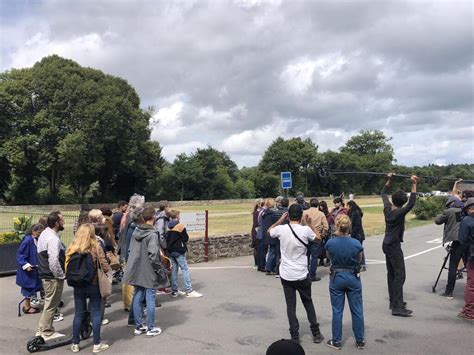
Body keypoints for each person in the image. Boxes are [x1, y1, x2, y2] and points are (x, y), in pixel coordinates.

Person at [268, 204, 324, 345]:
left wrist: (280, 220)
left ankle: (294, 336)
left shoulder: (281, 229)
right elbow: (318, 239)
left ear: (288, 215)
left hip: (286, 274)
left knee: (291, 306)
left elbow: (270, 231)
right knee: (308, 303)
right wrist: (310, 224)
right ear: (301, 216)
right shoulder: (305, 230)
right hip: (301, 273)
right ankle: (316, 333)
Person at [66, 224, 110, 353]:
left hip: (78, 284)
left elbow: (67, 264)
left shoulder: (73, 246)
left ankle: (75, 343)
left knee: (79, 313)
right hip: (93, 283)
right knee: (95, 313)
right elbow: (105, 265)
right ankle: (96, 344)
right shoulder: (96, 246)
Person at [122, 206, 165, 336]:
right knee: (150, 297)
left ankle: (139, 326)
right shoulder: (152, 234)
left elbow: (130, 250)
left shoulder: (136, 231)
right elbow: (153, 255)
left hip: (137, 269)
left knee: (138, 296)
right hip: (149, 270)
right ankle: (151, 328)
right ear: (154, 217)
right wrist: (159, 270)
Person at [325, 215, 365, 350]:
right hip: (353, 276)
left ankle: (336, 340)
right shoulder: (356, 243)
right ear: (349, 227)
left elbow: (329, 257)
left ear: (337, 226)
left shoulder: (331, 243)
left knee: (337, 310)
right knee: (357, 309)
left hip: (337, 276)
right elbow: (359, 260)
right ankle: (360, 340)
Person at [381, 173, 418, 317]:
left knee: (392, 274)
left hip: (386, 243)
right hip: (393, 246)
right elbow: (412, 203)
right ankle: (397, 307)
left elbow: (383, 192)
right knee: (400, 275)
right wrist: (414, 183)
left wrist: (390, 179)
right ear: (402, 202)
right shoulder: (399, 213)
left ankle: (394, 302)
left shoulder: (388, 209)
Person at [35, 211, 66, 340]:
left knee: (49, 304)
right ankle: (47, 332)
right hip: (52, 277)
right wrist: (61, 275)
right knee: (51, 305)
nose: (64, 222)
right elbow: (53, 261)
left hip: (45, 275)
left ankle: (41, 330)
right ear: (57, 223)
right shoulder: (53, 238)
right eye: (62, 220)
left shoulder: (44, 234)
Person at [165, 210, 203, 298]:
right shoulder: (180, 226)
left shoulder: (168, 226)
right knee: (184, 269)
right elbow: (186, 237)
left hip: (170, 251)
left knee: (174, 270)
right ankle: (189, 290)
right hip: (178, 250)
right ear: (177, 216)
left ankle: (174, 291)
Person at [435, 196, 466, 299]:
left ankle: (449, 292)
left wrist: (441, 213)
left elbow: (437, 220)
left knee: (452, 267)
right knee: (470, 267)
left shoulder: (450, 211)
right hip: (468, 241)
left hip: (457, 242)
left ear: (451, 203)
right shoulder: (465, 209)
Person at [16, 223, 45, 314]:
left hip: (33, 269)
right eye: (39, 232)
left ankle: (28, 305)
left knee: (31, 287)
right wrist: (26, 265)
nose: (40, 235)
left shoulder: (35, 239)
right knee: (27, 288)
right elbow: (20, 254)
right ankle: (27, 307)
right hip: (28, 270)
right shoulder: (28, 240)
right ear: (33, 231)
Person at [302, 198, 328, 282]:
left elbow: (301, 223)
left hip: (305, 235)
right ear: (317, 205)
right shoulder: (321, 214)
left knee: (306, 255)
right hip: (316, 235)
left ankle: (305, 273)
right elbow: (326, 227)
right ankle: (312, 275)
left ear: (310, 204)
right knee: (314, 256)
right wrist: (323, 234)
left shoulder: (304, 212)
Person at [457, 197, 474, 320]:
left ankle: (469, 311)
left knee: (471, 284)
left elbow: (462, 240)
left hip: (472, 256)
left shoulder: (467, 220)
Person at [266, 197, 289, 276]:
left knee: (277, 253)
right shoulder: (289, 212)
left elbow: (273, 224)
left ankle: (276, 270)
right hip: (287, 234)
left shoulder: (275, 213)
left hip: (278, 233)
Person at [347, 201, 367, 271]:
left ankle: (362, 264)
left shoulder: (356, 213)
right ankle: (356, 264)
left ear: (351, 206)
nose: (347, 207)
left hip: (358, 235)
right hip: (354, 234)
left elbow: (357, 225)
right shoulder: (351, 213)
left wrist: (352, 233)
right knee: (355, 250)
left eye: (348, 206)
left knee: (359, 249)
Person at [251, 199, 263, 269]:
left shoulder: (260, 212)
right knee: (257, 247)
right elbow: (256, 224)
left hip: (258, 230)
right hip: (256, 231)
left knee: (259, 248)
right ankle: (257, 263)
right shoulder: (256, 213)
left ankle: (260, 263)